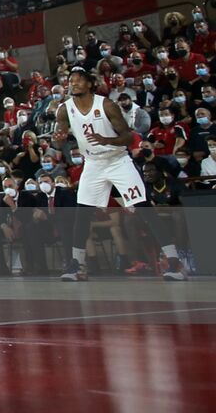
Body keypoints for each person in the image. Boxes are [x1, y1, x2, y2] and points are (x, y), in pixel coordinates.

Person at [57, 67, 185, 282]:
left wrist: (107, 140)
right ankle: (77, 265)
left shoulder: (106, 104)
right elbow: (59, 138)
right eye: (71, 80)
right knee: (82, 213)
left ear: (90, 83)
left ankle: (174, 260)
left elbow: (128, 137)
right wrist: (59, 138)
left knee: (143, 209)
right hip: (93, 163)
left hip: (117, 160)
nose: (74, 83)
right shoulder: (64, 109)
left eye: (79, 80)